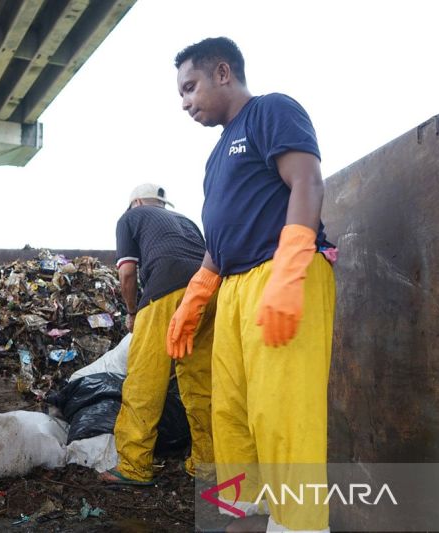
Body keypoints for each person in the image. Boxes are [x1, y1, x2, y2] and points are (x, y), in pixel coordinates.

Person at [169, 37, 336, 532]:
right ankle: (246, 517)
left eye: (190, 87)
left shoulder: (271, 111)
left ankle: (301, 526)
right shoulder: (216, 156)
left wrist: (290, 270)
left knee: (285, 416)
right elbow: (219, 238)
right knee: (233, 412)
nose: (185, 103)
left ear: (223, 72)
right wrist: (195, 298)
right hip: (235, 289)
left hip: (280, 272)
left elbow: (307, 181)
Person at [99, 183, 216, 486]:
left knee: (144, 379)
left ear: (136, 201)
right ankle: (207, 464)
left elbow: (127, 273)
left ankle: (134, 466)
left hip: (165, 292)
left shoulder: (130, 218)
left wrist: (132, 311)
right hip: (208, 293)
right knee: (202, 381)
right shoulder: (187, 222)